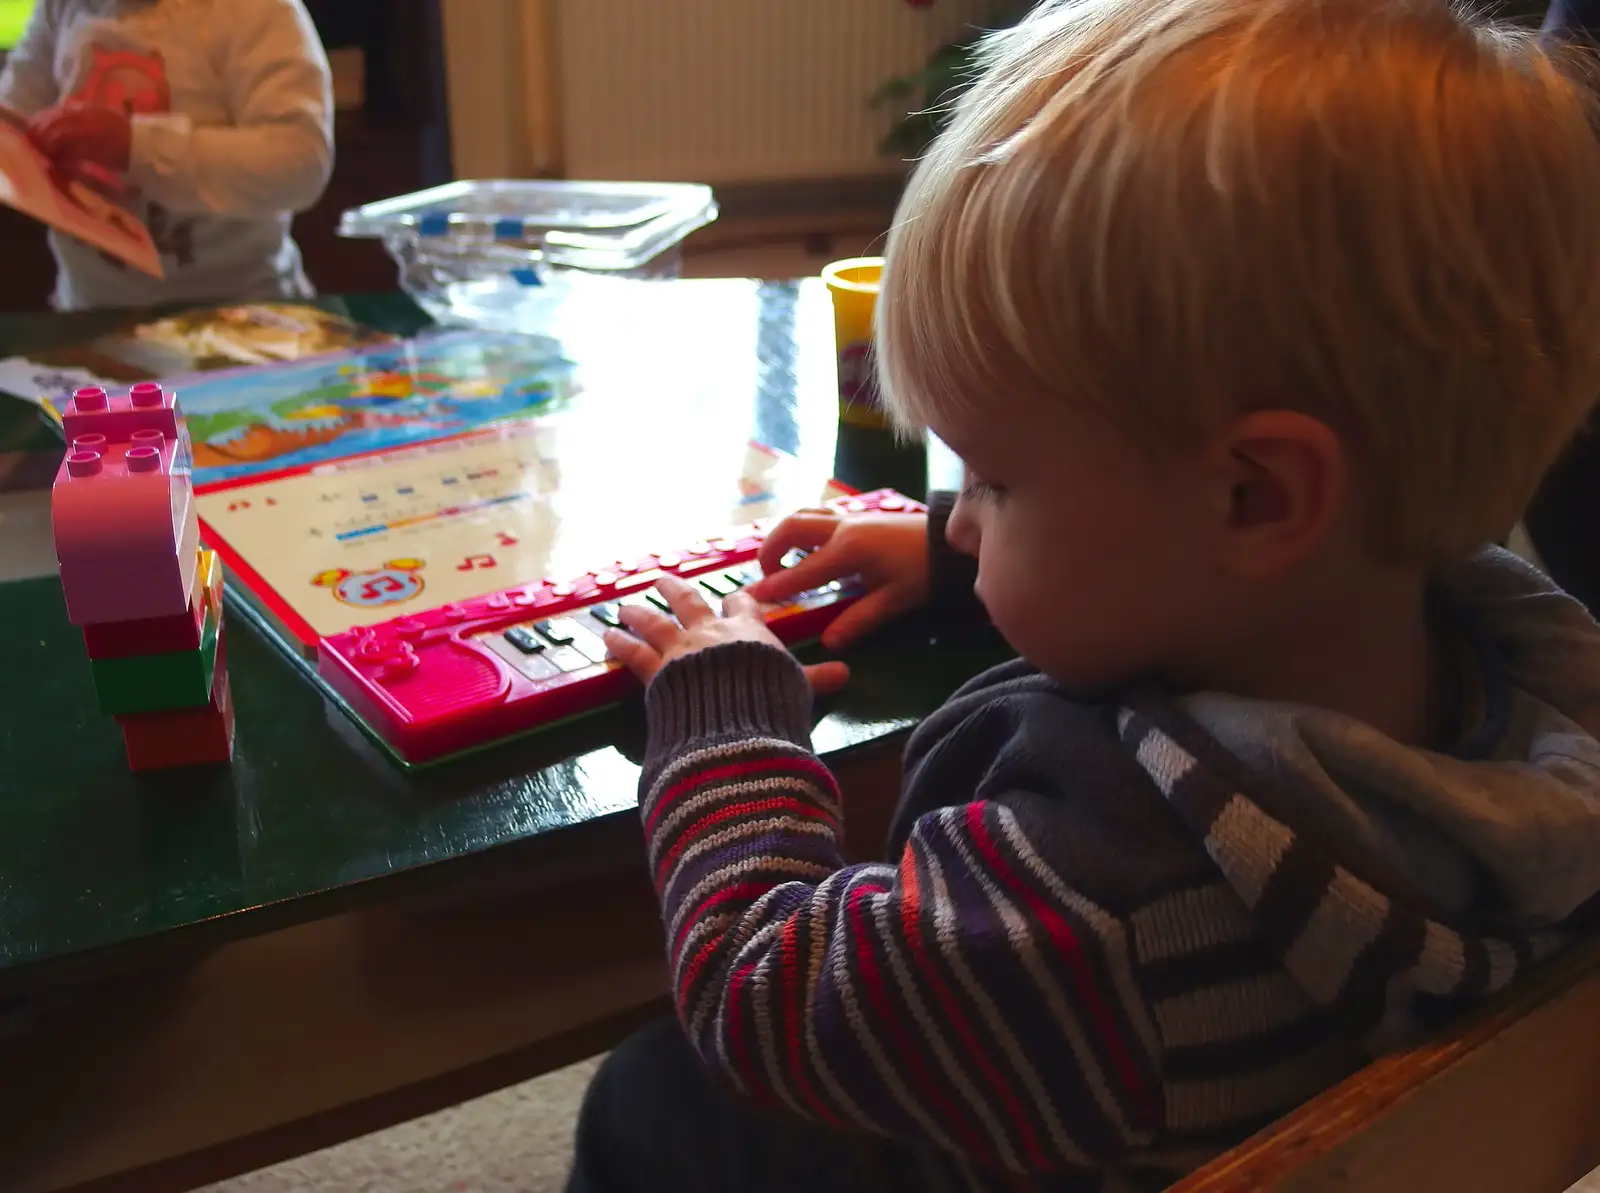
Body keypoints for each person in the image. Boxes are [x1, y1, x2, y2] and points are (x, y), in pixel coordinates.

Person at [569, 0, 1600, 1188]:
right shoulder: (1518, 677)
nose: (955, 514)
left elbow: (761, 990)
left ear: (1254, 498)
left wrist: (726, 721)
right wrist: (965, 559)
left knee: (650, 1095)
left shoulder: (1095, 914)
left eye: (997, 482)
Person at [0, 0, 333, 311]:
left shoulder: (256, 11)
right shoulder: (61, 7)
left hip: (244, 312)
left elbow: (300, 161)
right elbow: (14, 119)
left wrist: (135, 147)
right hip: (88, 310)